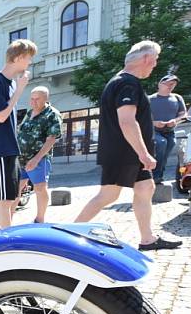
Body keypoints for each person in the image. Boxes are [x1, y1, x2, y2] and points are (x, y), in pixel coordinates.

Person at [75, 41, 182, 251]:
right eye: (155, 60)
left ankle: (148, 239)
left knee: (145, 187)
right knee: (108, 195)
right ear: (145, 59)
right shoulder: (128, 83)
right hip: (124, 152)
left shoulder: (120, 81)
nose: (155, 65)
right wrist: (144, 154)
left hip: (124, 151)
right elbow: (127, 121)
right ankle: (70, 233)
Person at [0, 39, 37, 228]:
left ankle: (8, 234)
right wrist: (20, 90)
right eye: (28, 58)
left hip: (9, 148)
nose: (29, 63)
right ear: (19, 57)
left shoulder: (11, 84)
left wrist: (17, 88)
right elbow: (0, 116)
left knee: (13, 197)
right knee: (3, 200)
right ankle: (6, 241)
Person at [16, 86, 63, 223]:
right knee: (15, 189)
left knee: (40, 188)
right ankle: (7, 219)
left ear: (46, 99)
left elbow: (51, 139)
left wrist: (36, 159)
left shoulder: (52, 114)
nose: (33, 102)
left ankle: (40, 219)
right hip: (21, 159)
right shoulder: (29, 112)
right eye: (32, 98)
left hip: (39, 159)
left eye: (37, 99)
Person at [150, 74, 186, 184]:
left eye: (173, 84)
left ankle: (158, 175)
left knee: (166, 152)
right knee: (161, 143)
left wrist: (175, 121)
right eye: (168, 83)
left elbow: (183, 115)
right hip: (154, 131)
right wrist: (154, 122)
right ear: (160, 84)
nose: (171, 86)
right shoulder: (150, 99)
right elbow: (140, 117)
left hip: (170, 131)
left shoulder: (177, 98)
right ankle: (155, 175)